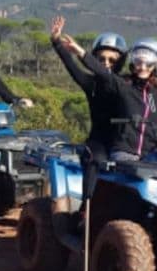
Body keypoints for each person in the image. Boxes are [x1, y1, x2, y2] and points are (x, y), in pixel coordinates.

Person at [50, 16, 127, 201]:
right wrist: (56, 42)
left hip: (126, 142)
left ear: (121, 61)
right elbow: (71, 65)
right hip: (99, 141)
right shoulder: (90, 83)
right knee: (94, 160)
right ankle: (87, 208)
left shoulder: (127, 84)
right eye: (101, 59)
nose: (106, 63)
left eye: (112, 60)